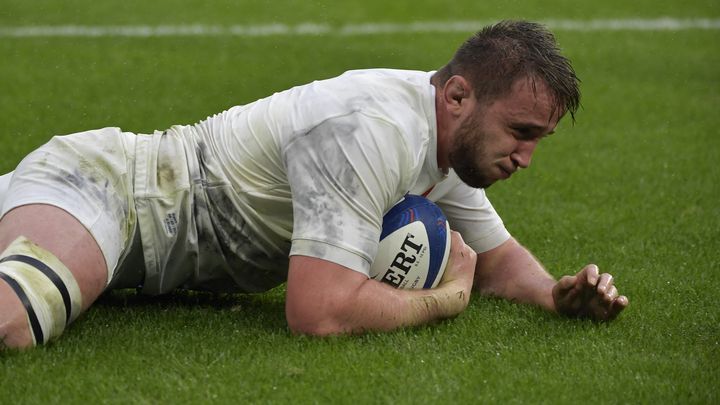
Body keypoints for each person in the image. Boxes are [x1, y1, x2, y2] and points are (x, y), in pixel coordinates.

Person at [0, 20, 628, 349]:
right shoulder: (372, 130)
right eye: (520, 132)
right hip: (114, 192)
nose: (526, 157)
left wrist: (555, 295)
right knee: (16, 322)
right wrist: (445, 298)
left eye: (538, 139)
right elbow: (318, 312)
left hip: (137, 228)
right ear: (459, 94)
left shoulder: (444, 141)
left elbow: (494, 260)